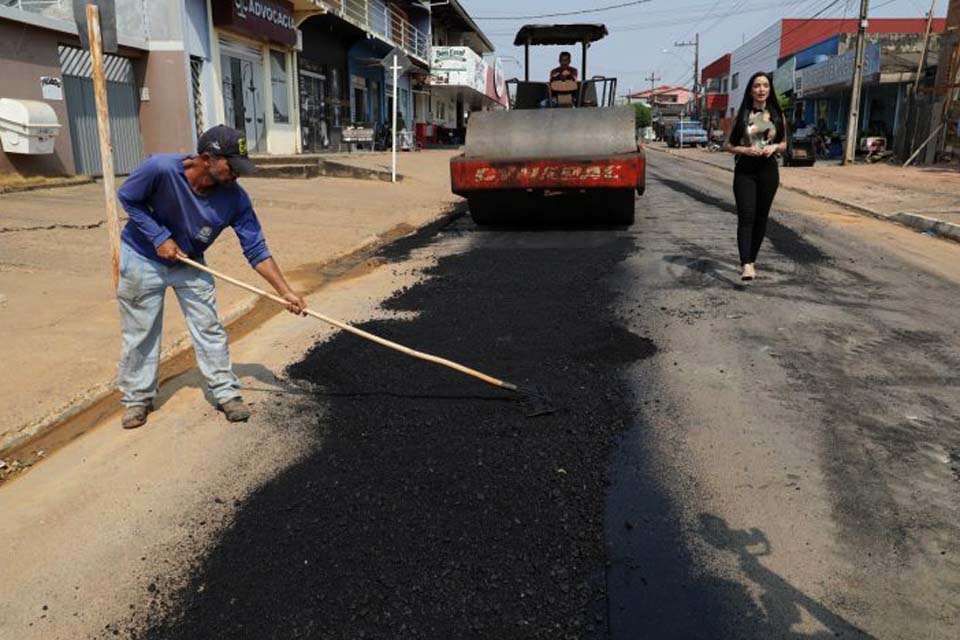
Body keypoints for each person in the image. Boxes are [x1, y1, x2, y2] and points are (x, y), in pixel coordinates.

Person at [116, 125, 306, 429]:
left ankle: (225, 393)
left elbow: (256, 248)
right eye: (232, 167)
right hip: (141, 258)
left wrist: (285, 292)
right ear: (207, 158)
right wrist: (159, 237)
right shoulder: (160, 169)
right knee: (141, 331)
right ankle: (137, 398)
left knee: (209, 327)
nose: (237, 175)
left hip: (190, 261)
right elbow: (128, 197)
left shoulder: (235, 199)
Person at [724, 71, 787, 281]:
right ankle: (746, 264)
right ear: (750, 90)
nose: (761, 89)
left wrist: (775, 147)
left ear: (770, 90)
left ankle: (752, 259)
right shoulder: (741, 115)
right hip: (745, 170)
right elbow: (728, 145)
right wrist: (745, 150)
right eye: (757, 86)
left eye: (765, 85)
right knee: (746, 216)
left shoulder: (778, 115)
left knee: (761, 217)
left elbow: (785, 144)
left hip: (768, 170)